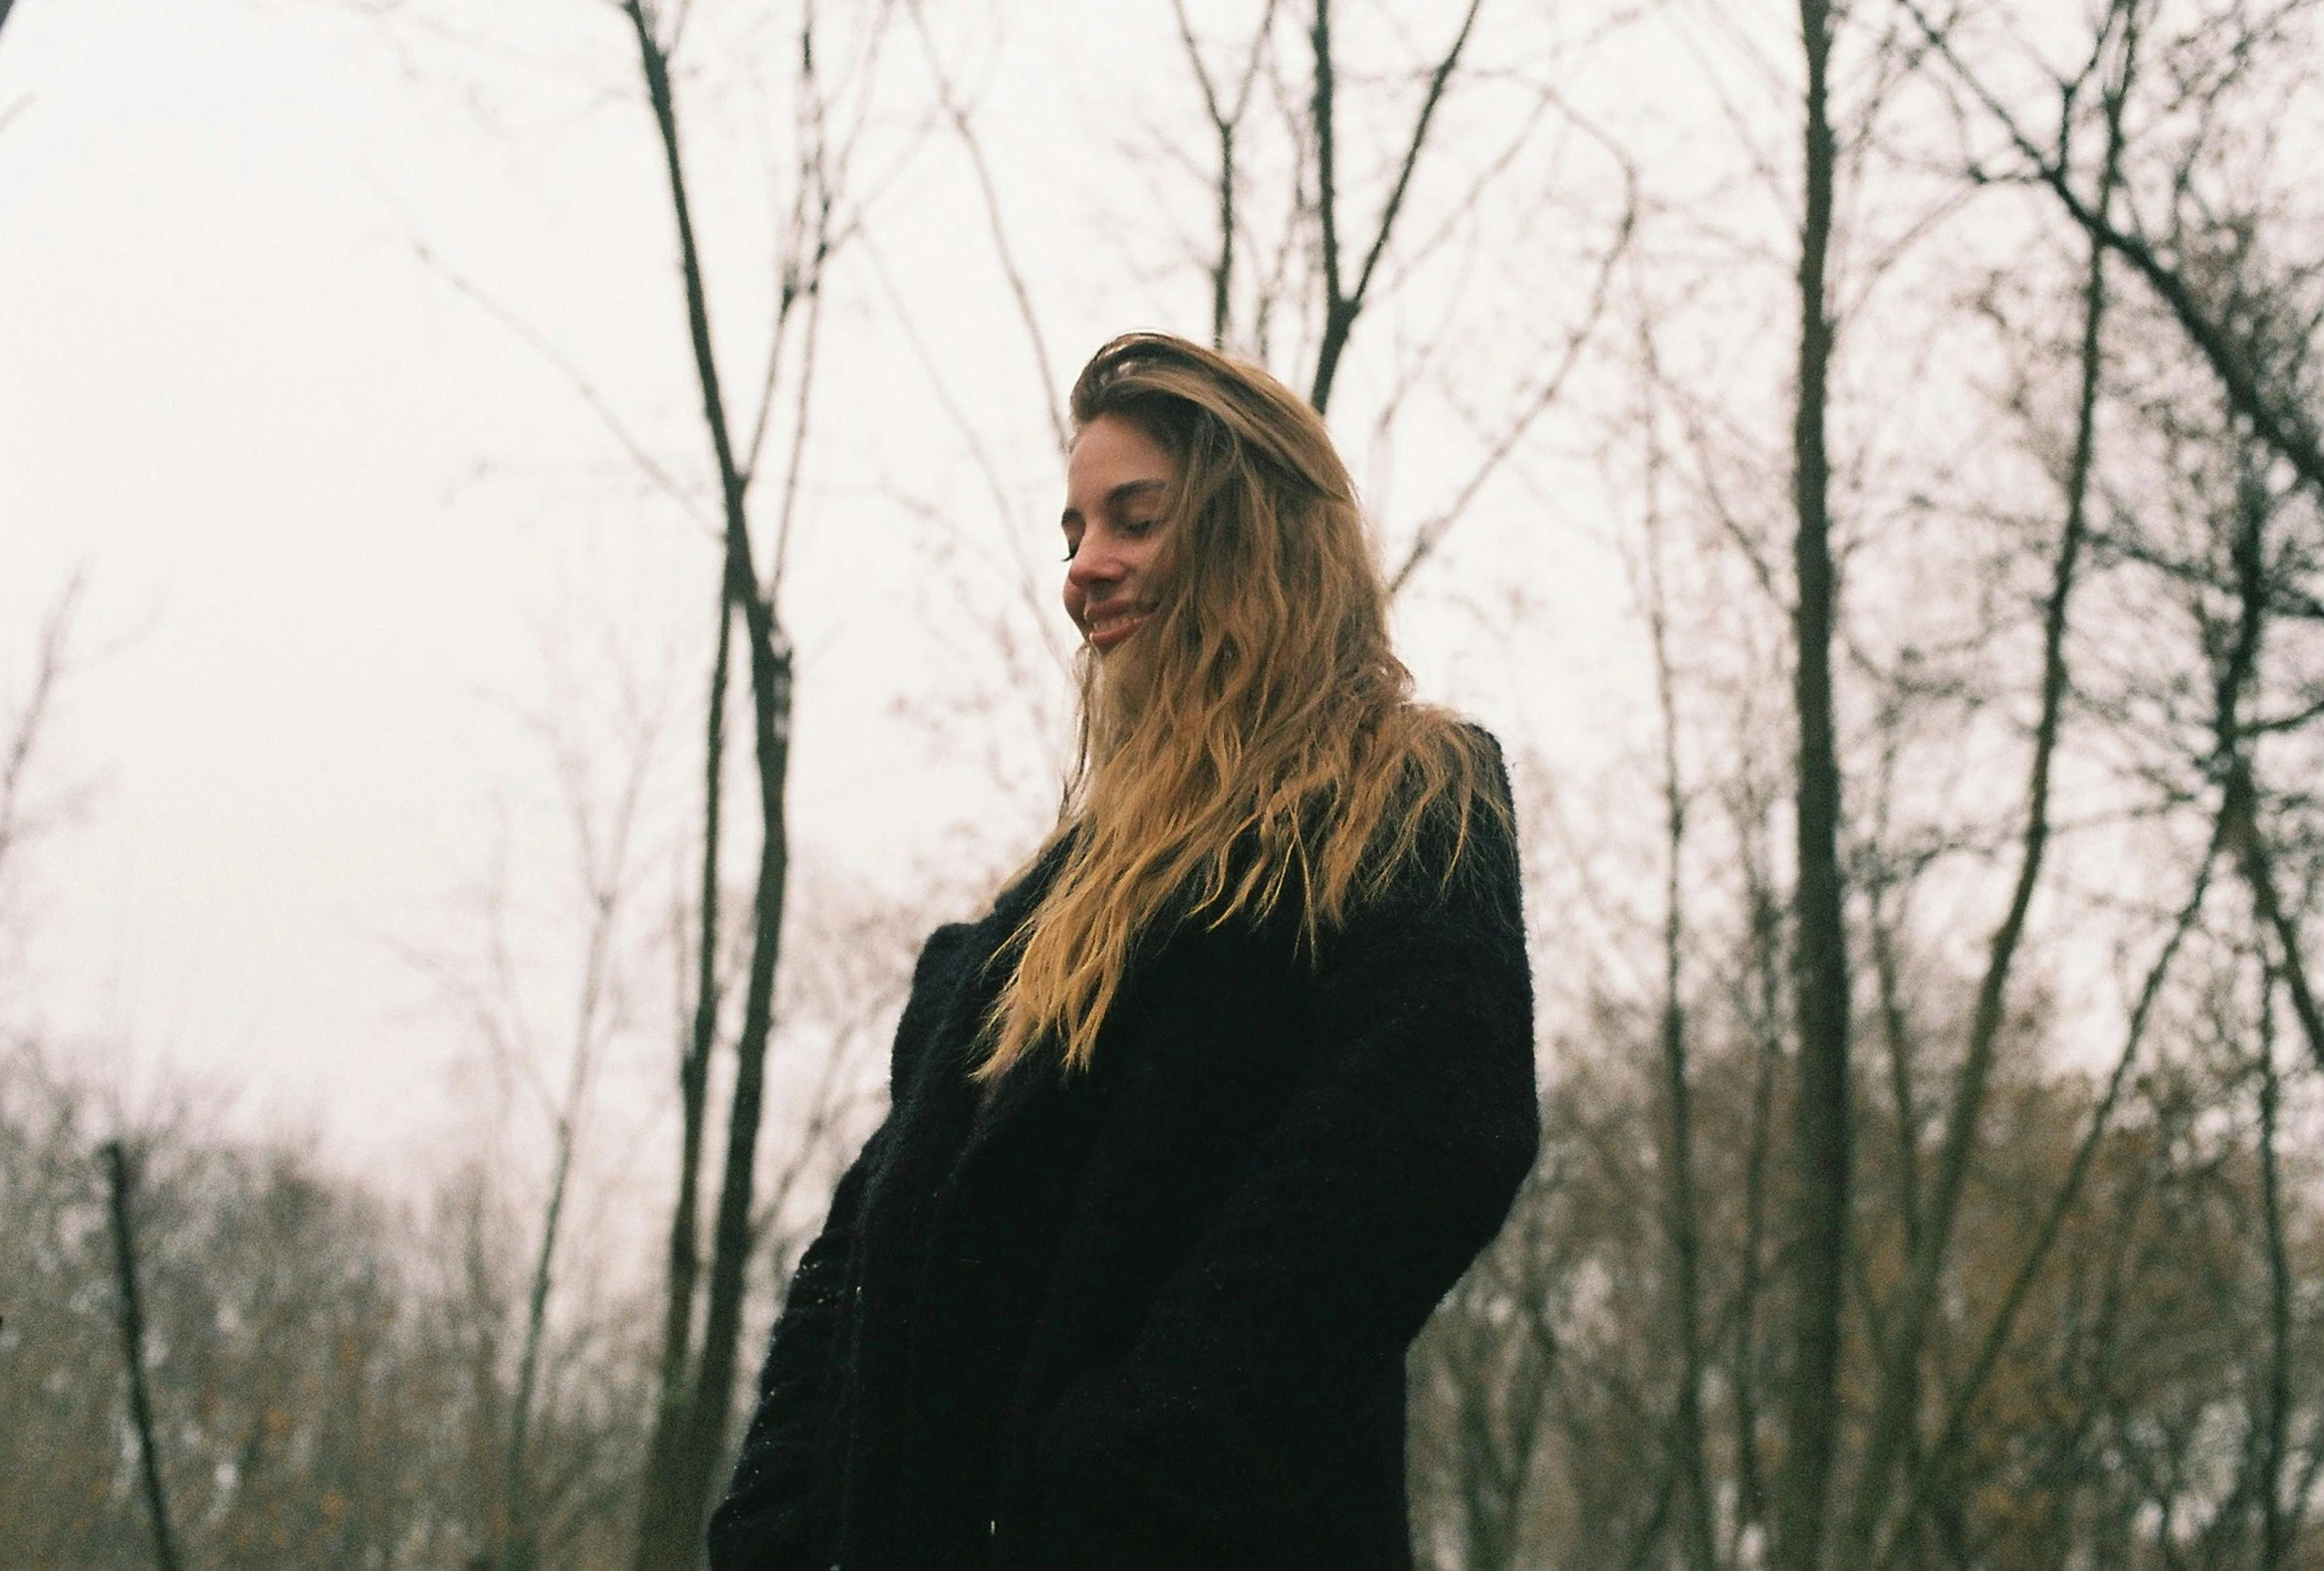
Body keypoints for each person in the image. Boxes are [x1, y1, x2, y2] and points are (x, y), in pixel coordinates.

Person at [707, 332, 1537, 1571]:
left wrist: (1120, 1480)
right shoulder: (1023, 931)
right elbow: (862, 1259)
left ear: (1254, 534)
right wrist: (773, 1526)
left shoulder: (1402, 800)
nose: (1083, 570)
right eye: (1073, 531)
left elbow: (1426, 1142)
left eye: (1134, 520)